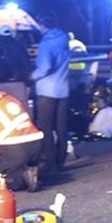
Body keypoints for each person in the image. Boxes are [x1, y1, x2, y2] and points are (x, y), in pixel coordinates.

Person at [29, 26, 73, 173]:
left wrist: (31, 77)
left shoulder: (46, 43)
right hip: (63, 88)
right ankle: (61, 157)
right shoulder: (64, 38)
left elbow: (45, 67)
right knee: (61, 126)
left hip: (47, 90)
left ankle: (49, 160)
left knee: (45, 127)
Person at [0, 25, 32, 104]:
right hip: (18, 83)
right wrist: (28, 83)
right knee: (20, 107)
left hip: (0, 83)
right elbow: (26, 65)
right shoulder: (19, 46)